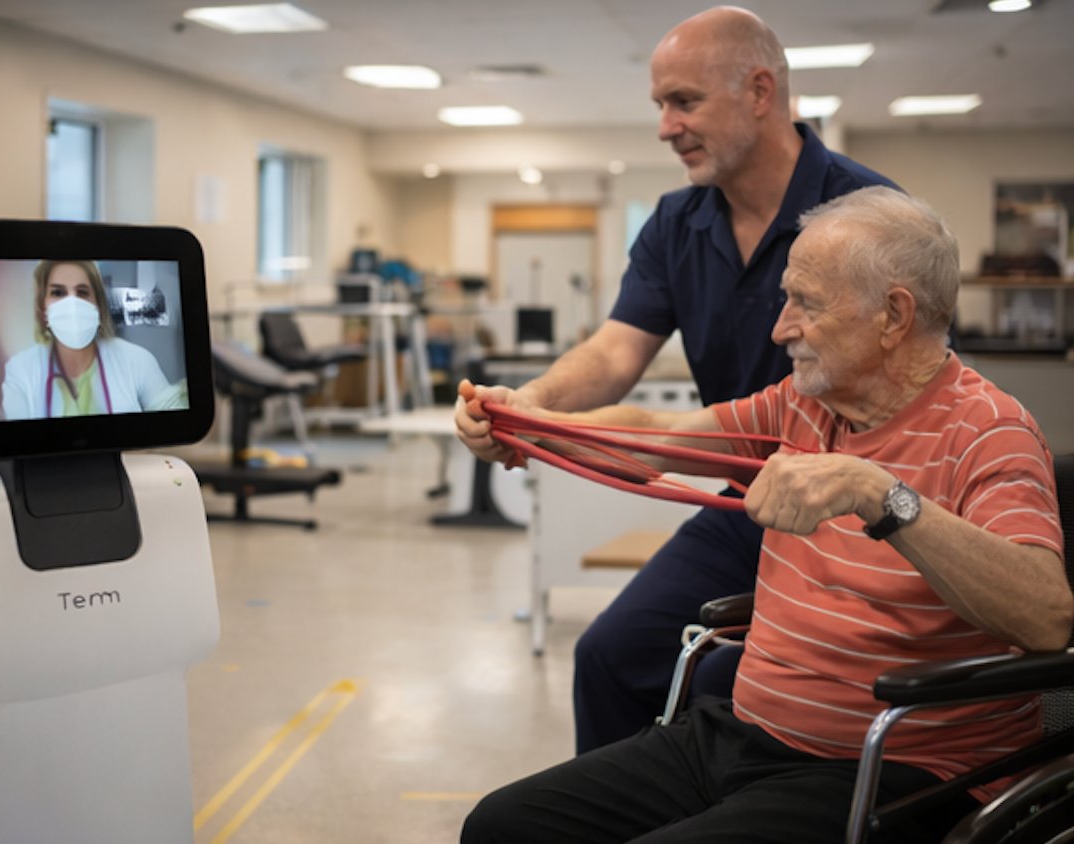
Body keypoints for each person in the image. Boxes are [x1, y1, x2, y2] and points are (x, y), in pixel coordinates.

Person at [460, 186, 1071, 843]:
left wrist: (878, 492)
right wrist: (528, 423)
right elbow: (656, 438)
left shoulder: (990, 431)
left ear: (894, 316)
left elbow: (1044, 618)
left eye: (806, 303)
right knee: (502, 826)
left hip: (890, 770)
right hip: (745, 736)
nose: (781, 328)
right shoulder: (803, 404)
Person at [454, 5, 898, 753]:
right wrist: (526, 407)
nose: (666, 127)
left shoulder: (870, 215)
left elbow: (920, 387)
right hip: (744, 506)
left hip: (855, 516)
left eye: (684, 101)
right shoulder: (674, 223)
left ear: (759, 91)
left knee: (735, 687)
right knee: (609, 657)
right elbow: (614, 354)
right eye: (661, 104)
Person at [2, 259, 187, 419]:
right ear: (43, 308)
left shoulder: (137, 360)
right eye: (58, 293)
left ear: (98, 306)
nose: (72, 304)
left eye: (82, 292)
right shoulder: (21, 370)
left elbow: (173, 420)